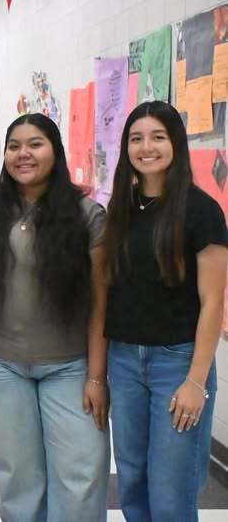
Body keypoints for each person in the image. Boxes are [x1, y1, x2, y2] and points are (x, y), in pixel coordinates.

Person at [0, 113, 110, 521]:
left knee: (80, 473)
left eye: (35, 144)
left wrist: (97, 377)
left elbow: (102, 302)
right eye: (14, 146)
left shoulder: (86, 215)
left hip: (70, 364)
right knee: (18, 474)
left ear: (56, 151)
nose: (23, 153)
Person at [103, 101, 227, 521]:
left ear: (176, 143)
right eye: (136, 138)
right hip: (124, 360)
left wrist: (196, 381)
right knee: (134, 481)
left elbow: (213, 301)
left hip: (177, 362)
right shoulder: (119, 209)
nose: (146, 147)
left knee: (171, 489)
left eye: (158, 137)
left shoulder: (201, 211)